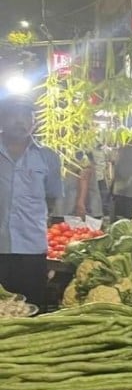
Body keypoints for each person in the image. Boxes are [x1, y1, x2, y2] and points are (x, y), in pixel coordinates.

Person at [0, 96, 62, 307]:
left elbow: (51, 198)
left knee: (31, 309)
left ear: (34, 121)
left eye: (26, 115)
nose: (20, 121)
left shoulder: (48, 157)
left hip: (32, 250)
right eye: (13, 115)